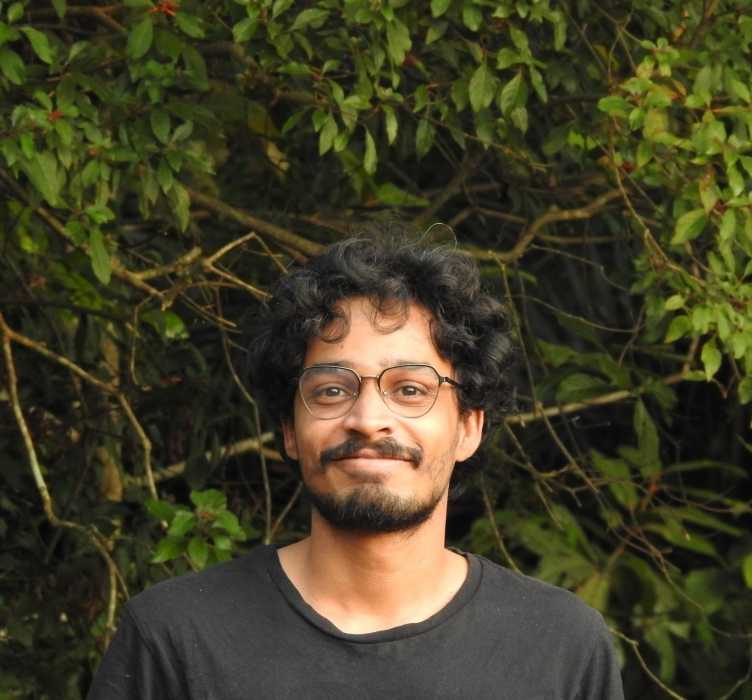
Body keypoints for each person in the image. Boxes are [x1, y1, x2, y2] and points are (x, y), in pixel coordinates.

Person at [87, 235, 624, 699]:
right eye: (332, 390)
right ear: (290, 431)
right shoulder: (174, 638)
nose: (368, 420)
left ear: (469, 427)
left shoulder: (559, 645)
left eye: (410, 390)